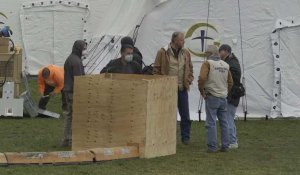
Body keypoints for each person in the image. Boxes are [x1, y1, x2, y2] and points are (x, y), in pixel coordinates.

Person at [153, 32, 194, 145]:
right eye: (181, 40)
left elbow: (190, 67)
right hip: (167, 89)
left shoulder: (186, 53)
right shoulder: (163, 52)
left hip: (182, 88)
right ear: (174, 40)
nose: (183, 42)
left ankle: (185, 137)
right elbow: (156, 69)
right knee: (167, 114)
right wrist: (161, 83)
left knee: (185, 114)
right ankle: (167, 136)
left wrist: (189, 79)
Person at [198, 45, 233, 152]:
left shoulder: (207, 63)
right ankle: (225, 145)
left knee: (211, 122)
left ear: (210, 54)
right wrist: (225, 92)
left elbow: (202, 78)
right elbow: (230, 82)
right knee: (224, 122)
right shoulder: (226, 65)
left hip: (212, 96)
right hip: (223, 97)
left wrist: (202, 91)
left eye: (206, 54)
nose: (206, 56)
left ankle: (212, 147)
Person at [62, 40, 87, 147]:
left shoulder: (70, 58)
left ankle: (66, 140)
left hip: (67, 90)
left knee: (69, 116)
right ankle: (72, 140)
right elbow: (79, 79)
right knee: (75, 117)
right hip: (73, 91)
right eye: (84, 48)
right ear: (79, 48)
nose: (85, 51)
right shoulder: (76, 61)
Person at [219, 44, 242, 149]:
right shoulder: (231, 61)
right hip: (232, 93)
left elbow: (232, 81)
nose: (219, 53)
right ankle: (229, 140)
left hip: (232, 94)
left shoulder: (231, 63)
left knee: (228, 118)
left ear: (226, 51)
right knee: (228, 118)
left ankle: (232, 141)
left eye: (221, 51)